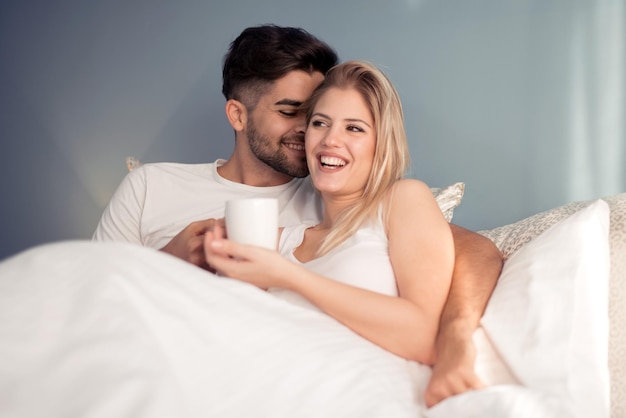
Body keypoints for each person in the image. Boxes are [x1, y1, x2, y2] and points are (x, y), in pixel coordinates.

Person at [92, 24, 503, 406]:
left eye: (317, 117)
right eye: (298, 115)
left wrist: (457, 340)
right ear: (237, 115)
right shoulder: (151, 186)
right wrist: (172, 259)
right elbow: (93, 302)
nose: (313, 133)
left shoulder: (338, 191)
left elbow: (473, 250)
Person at [205, 60, 454, 364]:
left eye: (354, 128)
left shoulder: (402, 199)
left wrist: (288, 275)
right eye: (320, 123)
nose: (330, 140)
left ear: (382, 143)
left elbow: (423, 339)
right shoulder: (277, 242)